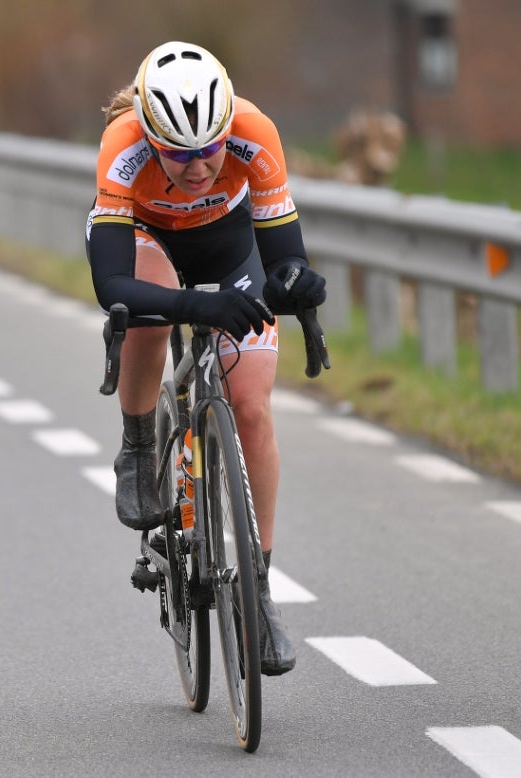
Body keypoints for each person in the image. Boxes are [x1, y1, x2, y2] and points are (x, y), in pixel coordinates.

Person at [86, 41, 327, 676]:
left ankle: (259, 590)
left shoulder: (254, 131)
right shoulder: (122, 144)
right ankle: (139, 444)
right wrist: (195, 305)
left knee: (251, 408)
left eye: (209, 149)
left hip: (227, 241)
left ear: (227, 128)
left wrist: (295, 281)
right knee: (149, 311)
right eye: (178, 153)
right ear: (150, 136)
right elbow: (111, 286)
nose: (197, 167)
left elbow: (283, 255)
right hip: (147, 238)